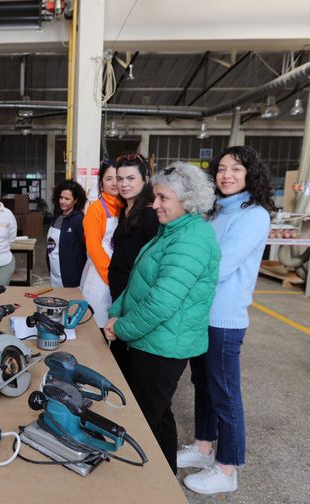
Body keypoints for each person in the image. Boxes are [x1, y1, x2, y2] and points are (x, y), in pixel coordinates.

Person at [104, 162, 220, 475]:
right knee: (159, 414)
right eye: (155, 197)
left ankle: (146, 483)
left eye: (162, 198)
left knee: (143, 421)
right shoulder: (172, 230)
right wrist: (117, 312)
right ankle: (165, 478)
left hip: (162, 346)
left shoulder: (192, 240)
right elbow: (139, 281)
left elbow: (161, 303)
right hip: (150, 339)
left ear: (187, 200)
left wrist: (123, 327)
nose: (154, 204)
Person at [179, 147, 274, 495]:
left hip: (224, 317)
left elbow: (220, 266)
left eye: (236, 168)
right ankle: (204, 448)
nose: (227, 175)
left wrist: (179, 279)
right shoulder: (215, 211)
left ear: (250, 174)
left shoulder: (253, 215)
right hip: (201, 313)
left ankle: (227, 467)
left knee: (225, 395)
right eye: (221, 168)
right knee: (203, 386)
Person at [107, 152, 158, 380]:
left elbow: (154, 264)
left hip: (136, 298)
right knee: (119, 362)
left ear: (145, 179)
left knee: (133, 367)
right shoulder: (124, 210)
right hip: (120, 295)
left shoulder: (150, 215)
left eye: (130, 178)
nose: (123, 184)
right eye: (119, 178)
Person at [81, 160, 122, 327]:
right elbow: (93, 248)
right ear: (101, 183)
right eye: (108, 179)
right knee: (99, 323)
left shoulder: (124, 207)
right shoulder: (96, 209)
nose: (114, 183)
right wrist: (110, 276)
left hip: (118, 272)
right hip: (101, 275)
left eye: (117, 178)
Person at [47, 180, 87, 288]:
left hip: (71, 276)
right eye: (61, 198)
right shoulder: (57, 216)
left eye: (67, 199)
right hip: (54, 271)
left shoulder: (79, 220)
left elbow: (85, 249)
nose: (63, 201)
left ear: (76, 200)